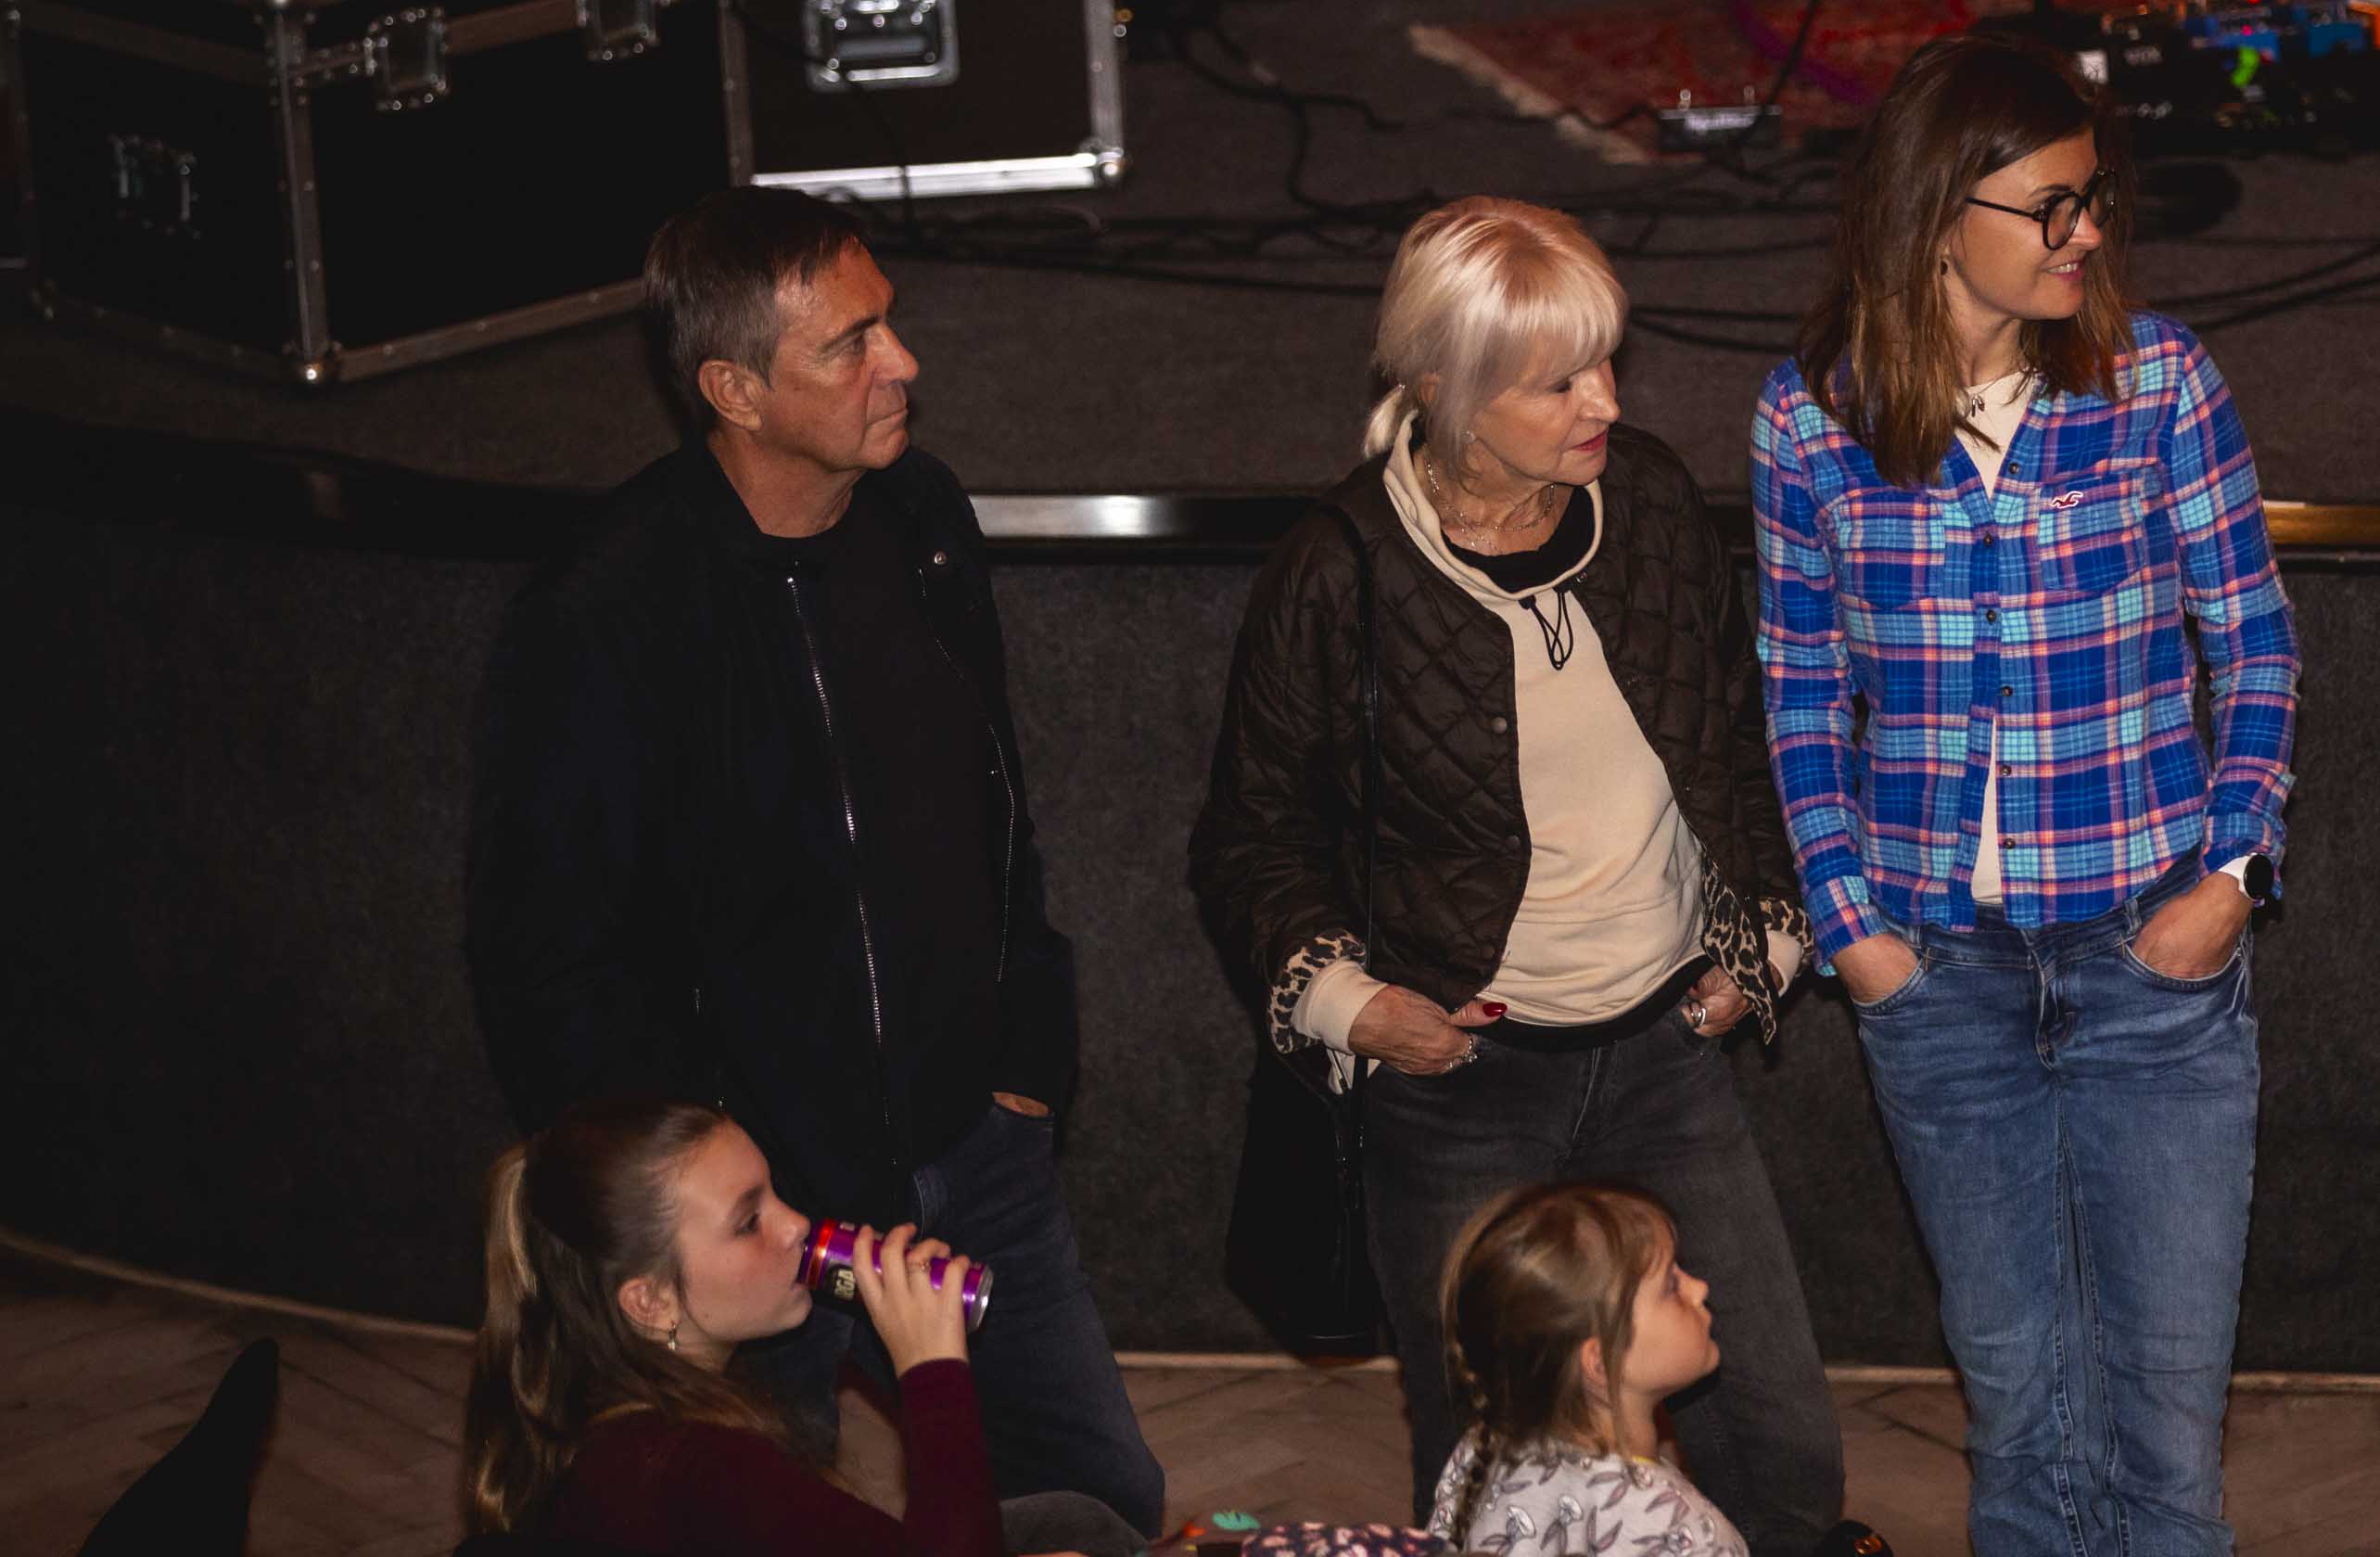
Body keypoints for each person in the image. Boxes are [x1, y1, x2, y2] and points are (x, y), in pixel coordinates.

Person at [465, 187, 1162, 1536]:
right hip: (756, 1219)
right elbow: (541, 958)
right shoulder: (600, 616)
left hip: (976, 1151)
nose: (902, 363)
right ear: (734, 389)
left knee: (1100, 1504)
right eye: (849, 344)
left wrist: (1025, 1061)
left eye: (886, 321)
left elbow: (997, 809)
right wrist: (705, 1200)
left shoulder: (924, 519)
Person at [1191, 198, 1844, 1557]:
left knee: (1778, 1444)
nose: (1607, 400)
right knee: (1488, 1466)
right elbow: (1254, 834)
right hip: (1461, 1091)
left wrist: (1765, 942)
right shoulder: (1339, 570)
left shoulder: (1649, 501)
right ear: (1446, 387)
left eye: (1606, 359)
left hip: (1667, 1054)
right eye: (1559, 381)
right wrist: (1358, 1008)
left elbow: (1735, 739)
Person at [1750, 31, 2301, 1557]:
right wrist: (1852, 929)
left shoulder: (2158, 384)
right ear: (1939, 213)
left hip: (2149, 961)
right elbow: (1799, 691)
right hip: (1939, 980)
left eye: (2094, 198)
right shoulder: (1811, 419)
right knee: (2019, 1412)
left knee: (2167, 1425)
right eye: (2052, 205)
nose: (2089, 234)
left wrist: (2229, 879)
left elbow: (2254, 644)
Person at [461, 1095, 1126, 1556]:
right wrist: (932, 1372)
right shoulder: (706, 1467)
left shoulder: (598, 1409)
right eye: (749, 1221)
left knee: (1067, 1520)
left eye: (775, 1193)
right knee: (1084, 1532)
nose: (797, 1225)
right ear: (651, 1301)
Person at [1428, 1181, 1744, 1557]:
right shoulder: (1687, 1534)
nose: (1700, 1289)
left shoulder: (1479, 1453)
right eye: (1671, 1287)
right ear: (1602, 1363)